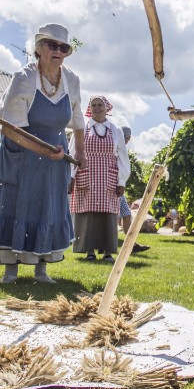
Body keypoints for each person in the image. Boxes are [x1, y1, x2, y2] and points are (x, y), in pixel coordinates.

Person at [0, 23, 86, 284]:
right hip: (21, 152)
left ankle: (41, 269)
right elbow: (11, 129)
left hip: (55, 157)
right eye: (52, 45)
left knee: (48, 207)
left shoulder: (72, 80)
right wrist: (43, 151)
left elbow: (78, 119)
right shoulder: (23, 78)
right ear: (39, 48)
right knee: (17, 204)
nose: (57, 51)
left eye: (63, 47)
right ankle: (10, 269)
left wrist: (80, 152)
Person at [71, 95, 130, 263]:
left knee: (108, 214)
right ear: (90, 108)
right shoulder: (82, 129)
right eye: (94, 105)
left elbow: (123, 158)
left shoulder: (116, 130)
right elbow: (73, 153)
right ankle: (89, 251)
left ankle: (108, 253)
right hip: (86, 176)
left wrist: (122, 181)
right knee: (88, 213)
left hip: (108, 178)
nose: (97, 108)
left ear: (107, 108)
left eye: (100, 105)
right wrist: (71, 176)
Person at [118, 126, 150, 254]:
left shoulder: (120, 147)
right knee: (121, 214)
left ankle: (130, 244)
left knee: (126, 214)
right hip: (114, 187)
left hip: (118, 187)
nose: (126, 141)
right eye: (126, 138)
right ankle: (129, 245)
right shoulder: (117, 148)